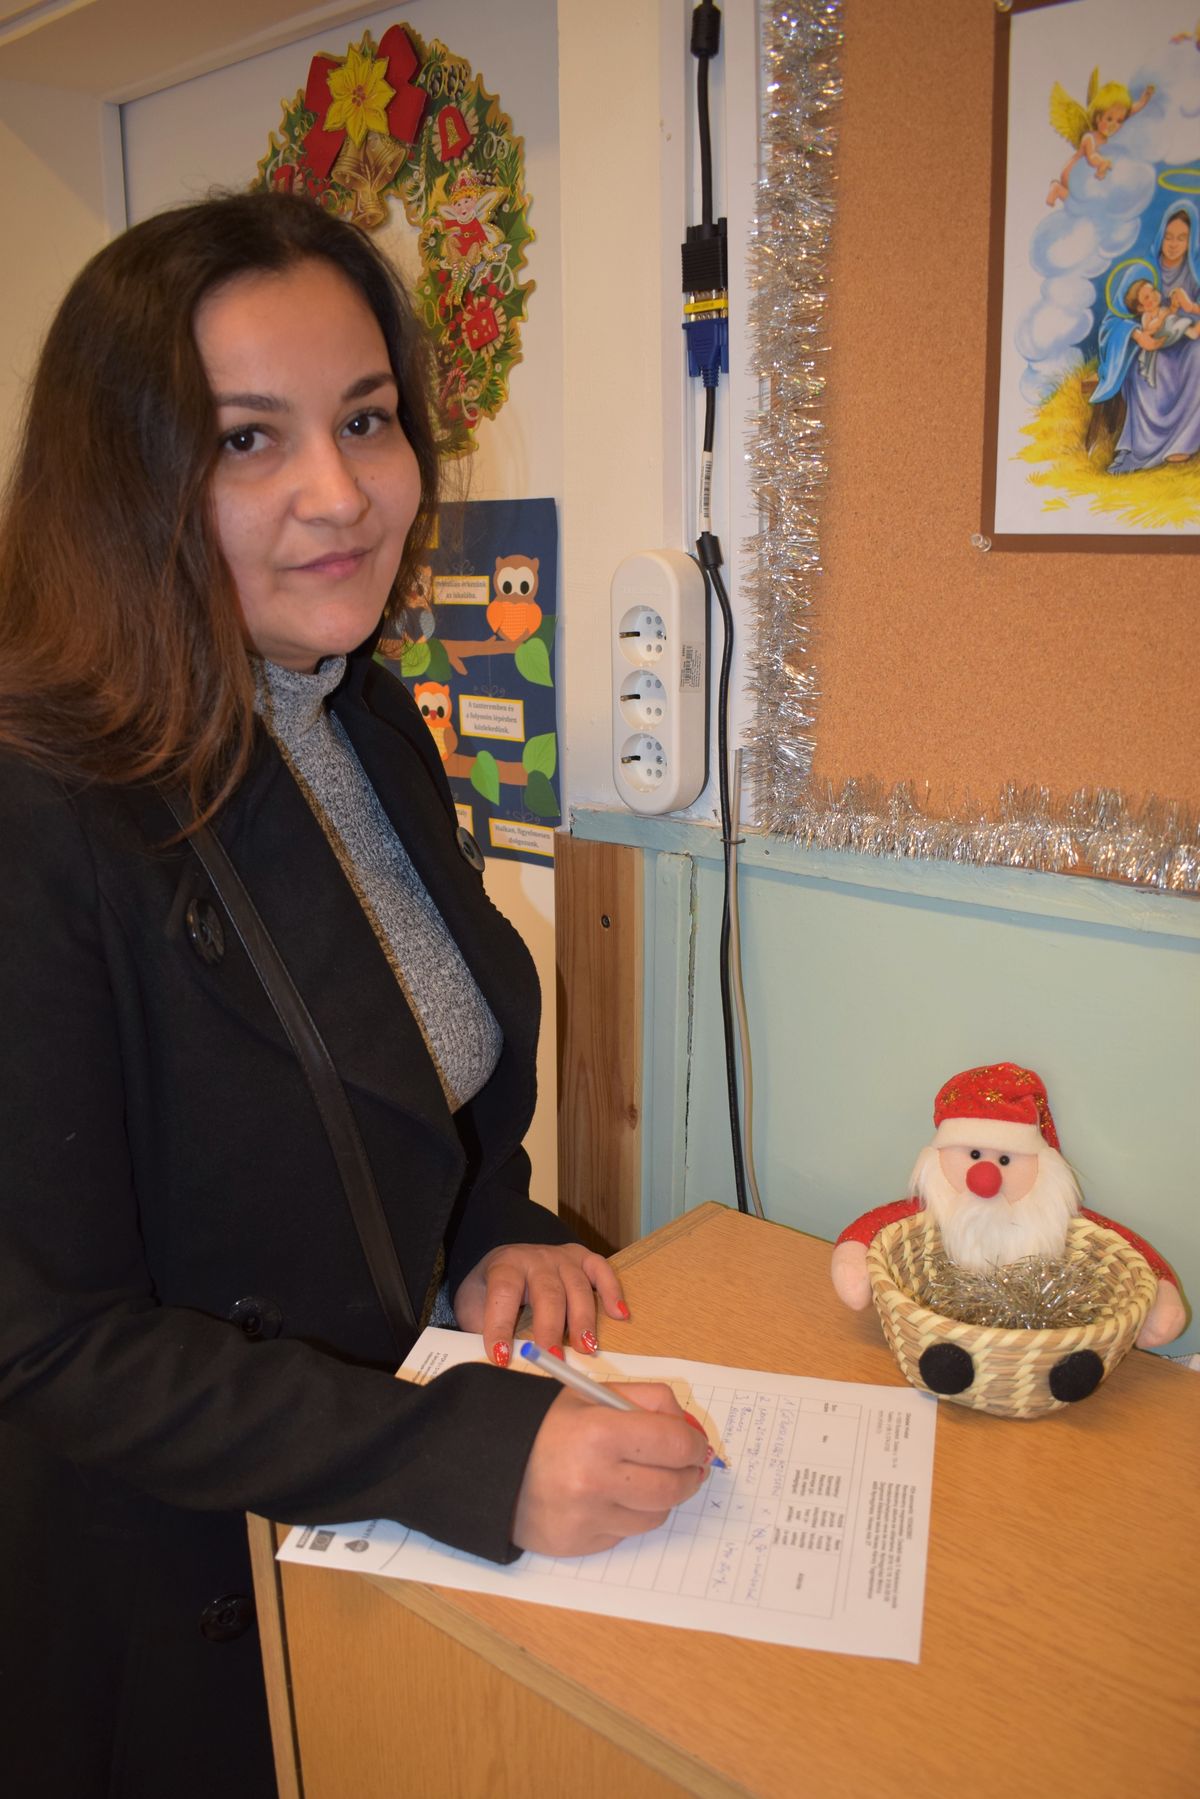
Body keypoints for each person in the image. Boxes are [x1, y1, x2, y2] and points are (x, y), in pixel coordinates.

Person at [0, 191, 710, 1799]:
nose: (339, 493)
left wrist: (491, 1230)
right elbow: (48, 1340)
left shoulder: (360, 716)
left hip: (368, 1509)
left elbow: (406, 1086)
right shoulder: (39, 804)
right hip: (168, 1584)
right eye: (246, 439)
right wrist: (459, 1455)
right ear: (122, 482)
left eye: (367, 418)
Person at [1093, 202, 1200, 470]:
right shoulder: (1142, 272)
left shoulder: (1195, 274)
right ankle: (1143, 446)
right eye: (1168, 236)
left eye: (1181, 238)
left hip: (1185, 346)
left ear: (1191, 241)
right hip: (1150, 347)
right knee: (1144, 370)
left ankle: (1182, 444)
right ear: (1160, 235)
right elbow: (1112, 322)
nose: (1173, 244)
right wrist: (1137, 335)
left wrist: (1190, 307)